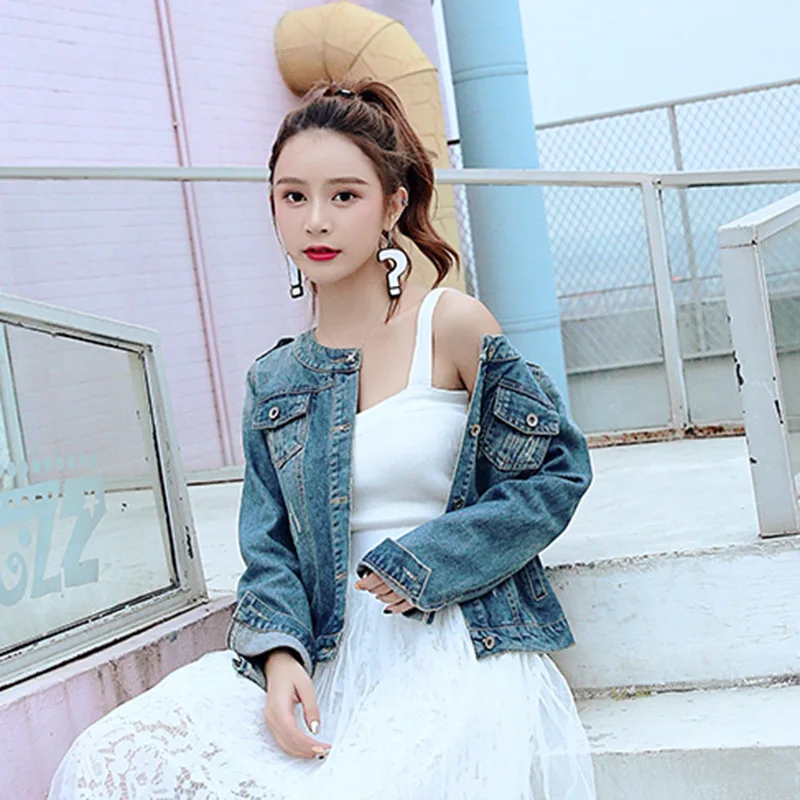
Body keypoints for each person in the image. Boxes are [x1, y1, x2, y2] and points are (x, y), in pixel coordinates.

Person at [49, 78, 596, 799]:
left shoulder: (451, 324)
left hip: (453, 640)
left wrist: (429, 560)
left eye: (344, 196)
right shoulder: (273, 380)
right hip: (326, 649)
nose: (316, 220)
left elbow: (556, 469)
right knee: (109, 756)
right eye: (293, 196)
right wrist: (278, 658)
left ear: (392, 205)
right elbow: (269, 549)